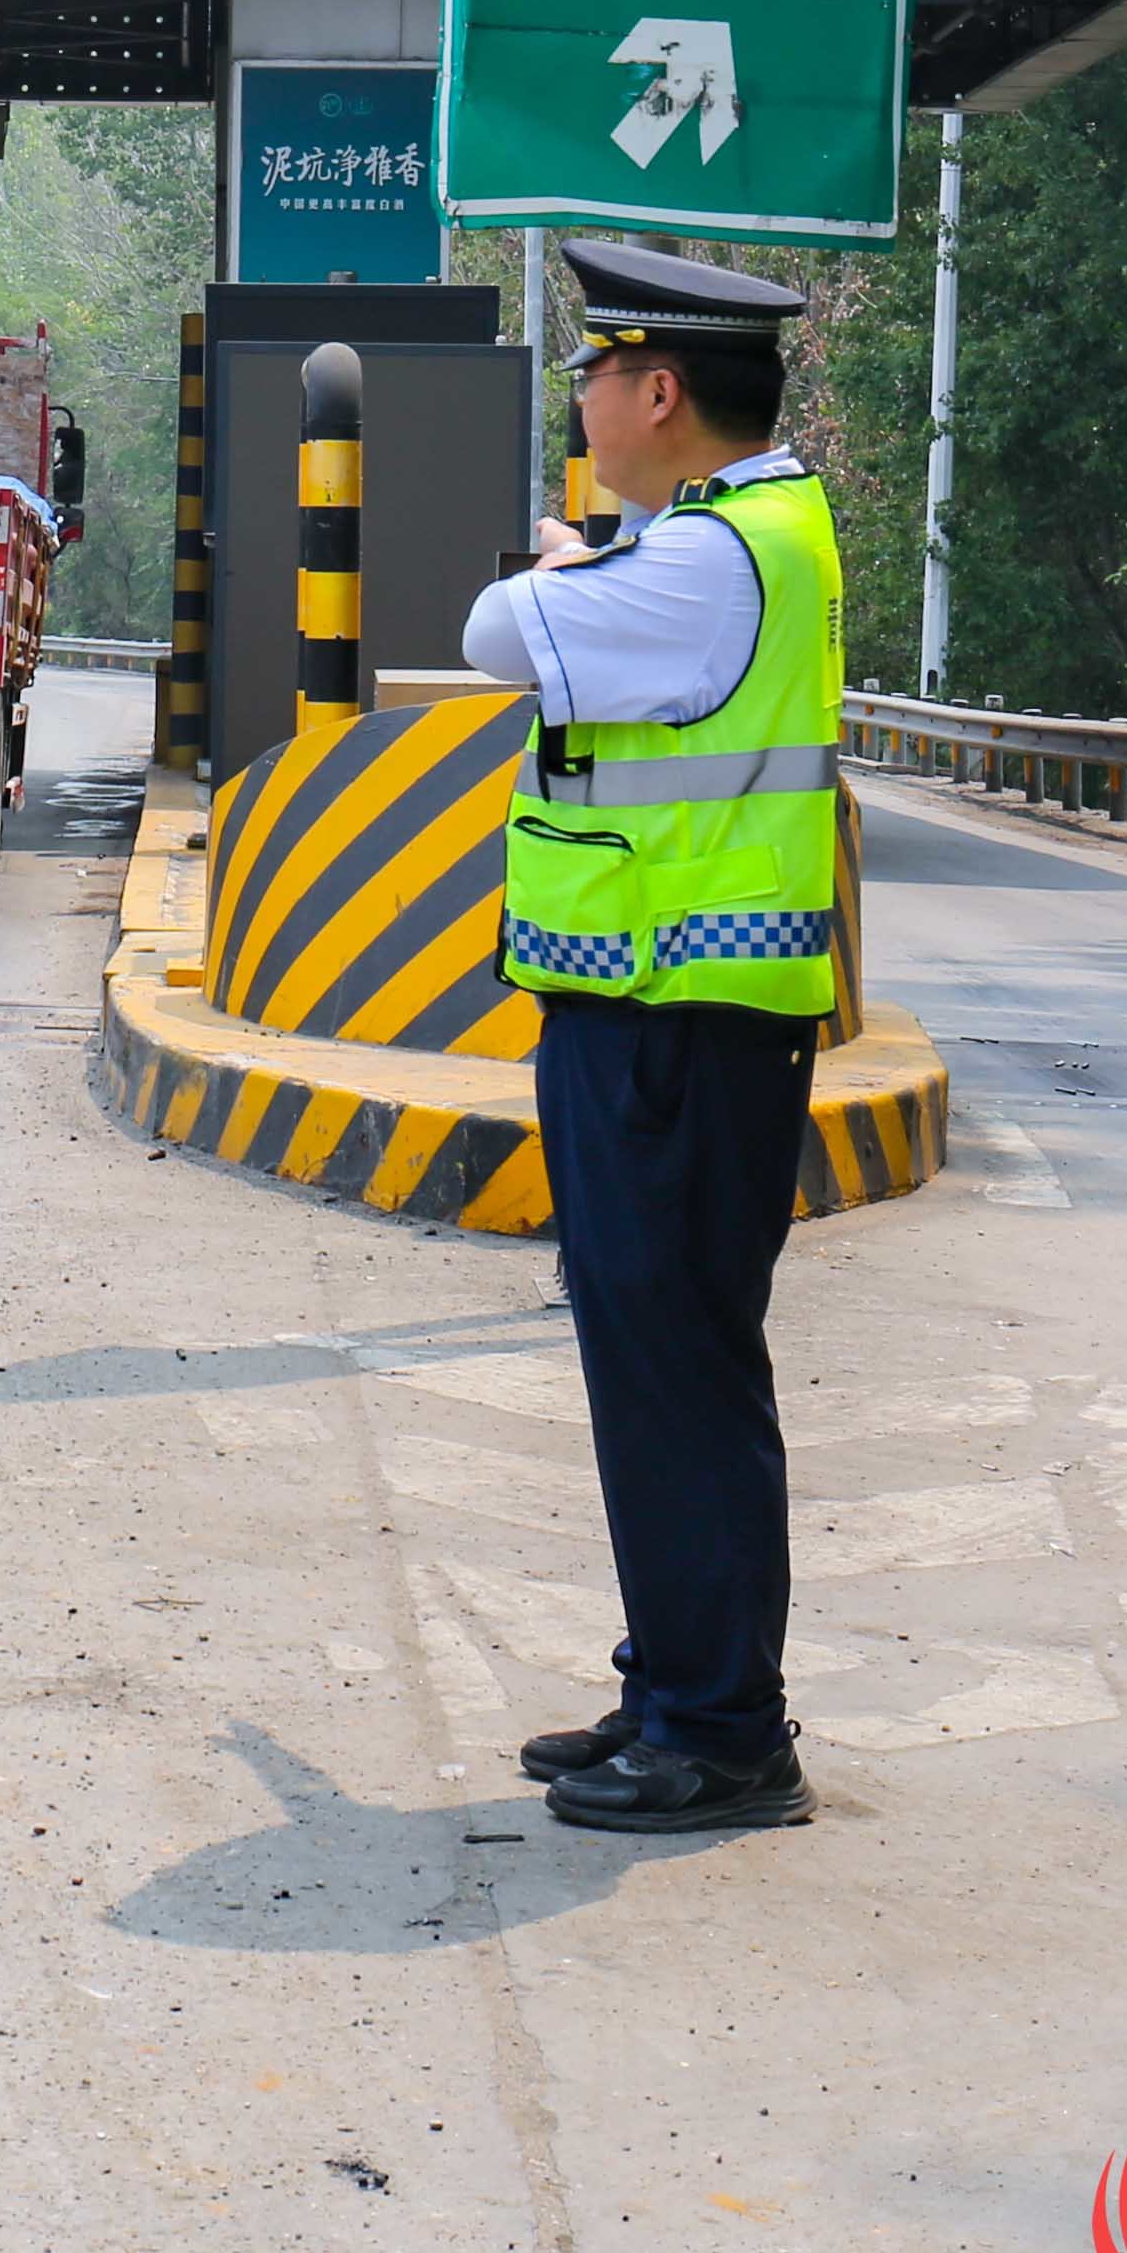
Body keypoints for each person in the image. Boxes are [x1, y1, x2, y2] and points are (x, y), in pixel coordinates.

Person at [455, 236, 840, 1836]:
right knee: (668, 1362)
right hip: (674, 1016)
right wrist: (590, 573)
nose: (591, 398)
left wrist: (563, 576)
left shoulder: (703, 559)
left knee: (673, 1366)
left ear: (660, 391)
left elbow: (491, 634)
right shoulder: (731, 537)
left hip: (678, 1017)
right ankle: (675, 1682)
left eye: (601, 373)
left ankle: (723, 1729)